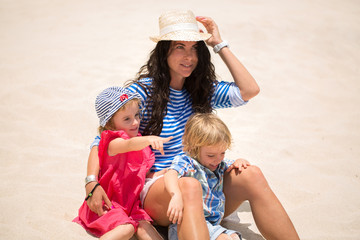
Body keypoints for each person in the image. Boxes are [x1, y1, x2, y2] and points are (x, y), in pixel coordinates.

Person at [85, 10, 299, 240]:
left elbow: (249, 90)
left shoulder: (202, 90)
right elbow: (103, 140)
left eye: (194, 48)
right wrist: (91, 184)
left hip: (203, 179)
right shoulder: (143, 91)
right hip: (160, 189)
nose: (189, 56)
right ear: (164, 52)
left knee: (252, 175)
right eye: (180, 47)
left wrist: (219, 44)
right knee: (189, 185)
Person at [74, 86, 171, 240]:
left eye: (137, 115)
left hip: (130, 205)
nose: (135, 122)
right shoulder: (113, 142)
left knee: (144, 225)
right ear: (110, 125)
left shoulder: (137, 140)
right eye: (127, 119)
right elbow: (128, 145)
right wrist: (148, 139)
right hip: (108, 205)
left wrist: (159, 174)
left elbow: (140, 172)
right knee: (127, 228)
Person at [165, 113, 249, 240]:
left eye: (222, 153)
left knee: (234, 237)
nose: (217, 159)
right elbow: (171, 173)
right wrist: (175, 195)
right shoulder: (188, 162)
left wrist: (240, 160)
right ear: (194, 148)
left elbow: (232, 163)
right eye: (211, 155)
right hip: (189, 224)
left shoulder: (219, 164)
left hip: (212, 224)